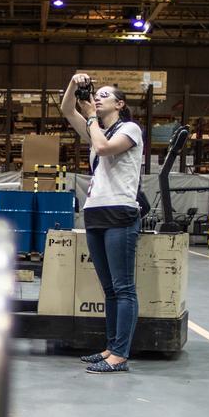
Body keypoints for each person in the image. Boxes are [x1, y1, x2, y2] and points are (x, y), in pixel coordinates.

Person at [61, 72, 143, 374]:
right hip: (95, 213)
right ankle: (111, 347)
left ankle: (120, 355)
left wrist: (92, 117)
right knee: (109, 289)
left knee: (123, 288)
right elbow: (67, 110)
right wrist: (73, 84)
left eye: (105, 95)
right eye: (97, 95)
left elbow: (106, 148)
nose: (98, 98)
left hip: (120, 213)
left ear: (120, 104)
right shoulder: (96, 129)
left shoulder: (131, 129)